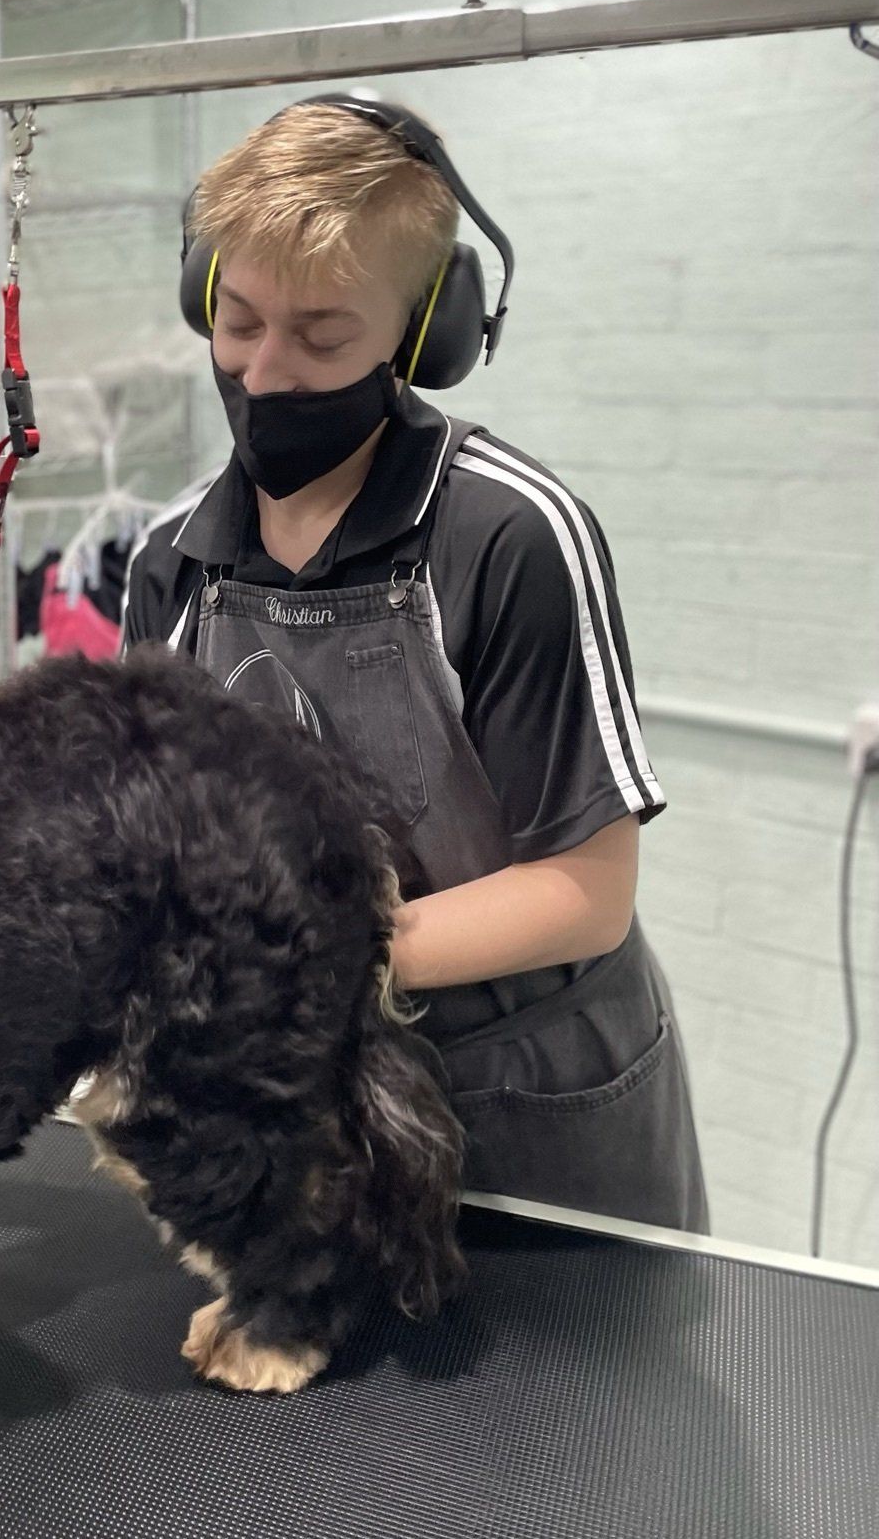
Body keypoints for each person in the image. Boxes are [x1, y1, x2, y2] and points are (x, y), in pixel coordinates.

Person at [122, 95, 707, 1232]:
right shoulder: (169, 563)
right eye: (236, 320)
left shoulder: (512, 539)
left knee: (577, 1411)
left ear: (424, 331)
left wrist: (320, 950)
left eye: (323, 334)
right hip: (307, 1088)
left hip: (528, 1097)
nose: (267, 371)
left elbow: (589, 892)